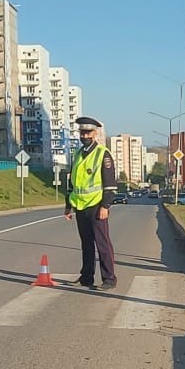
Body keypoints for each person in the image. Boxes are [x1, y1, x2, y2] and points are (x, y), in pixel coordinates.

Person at [62, 116, 117, 291]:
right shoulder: (77, 154)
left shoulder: (103, 154)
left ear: (95, 133)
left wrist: (105, 206)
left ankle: (109, 278)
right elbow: (72, 183)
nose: (85, 136)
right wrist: (68, 206)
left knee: (102, 243)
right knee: (86, 243)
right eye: (82, 132)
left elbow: (110, 184)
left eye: (88, 132)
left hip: (96, 206)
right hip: (80, 206)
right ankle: (86, 277)